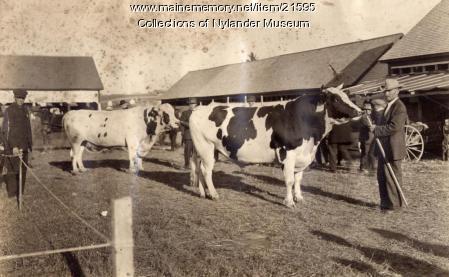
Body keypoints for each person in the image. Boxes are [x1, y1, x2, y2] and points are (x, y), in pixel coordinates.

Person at [368, 79, 408, 213]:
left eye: (389, 91)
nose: (386, 94)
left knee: (392, 177)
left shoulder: (399, 107)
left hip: (393, 148)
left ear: (397, 90)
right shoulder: (388, 106)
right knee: (382, 176)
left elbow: (394, 127)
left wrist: (377, 129)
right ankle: (385, 204)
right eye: (385, 91)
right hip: (383, 148)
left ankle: (394, 205)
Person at [1, 89, 33, 199]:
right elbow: (7, 130)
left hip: (24, 145)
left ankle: (20, 192)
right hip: (12, 145)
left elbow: (28, 128)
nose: (21, 100)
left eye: (23, 98)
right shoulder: (9, 110)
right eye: (19, 98)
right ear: (15, 98)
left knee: (23, 169)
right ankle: (12, 193)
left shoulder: (25, 110)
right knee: (12, 169)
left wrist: (29, 145)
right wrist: (13, 146)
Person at [180, 98, 197, 169]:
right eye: (190, 104)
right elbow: (181, 123)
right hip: (188, 135)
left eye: (193, 104)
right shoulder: (185, 113)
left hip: (198, 136)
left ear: (196, 104)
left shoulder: (199, 112)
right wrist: (183, 133)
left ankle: (196, 165)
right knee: (187, 151)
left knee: (196, 152)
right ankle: (186, 165)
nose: (191, 105)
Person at [359, 101, 375, 174]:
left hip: (369, 138)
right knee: (366, 153)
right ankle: (363, 167)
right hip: (366, 138)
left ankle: (367, 167)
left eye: (370, 110)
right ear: (365, 110)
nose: (369, 111)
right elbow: (370, 127)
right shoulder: (364, 117)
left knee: (367, 153)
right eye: (368, 110)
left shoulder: (368, 117)